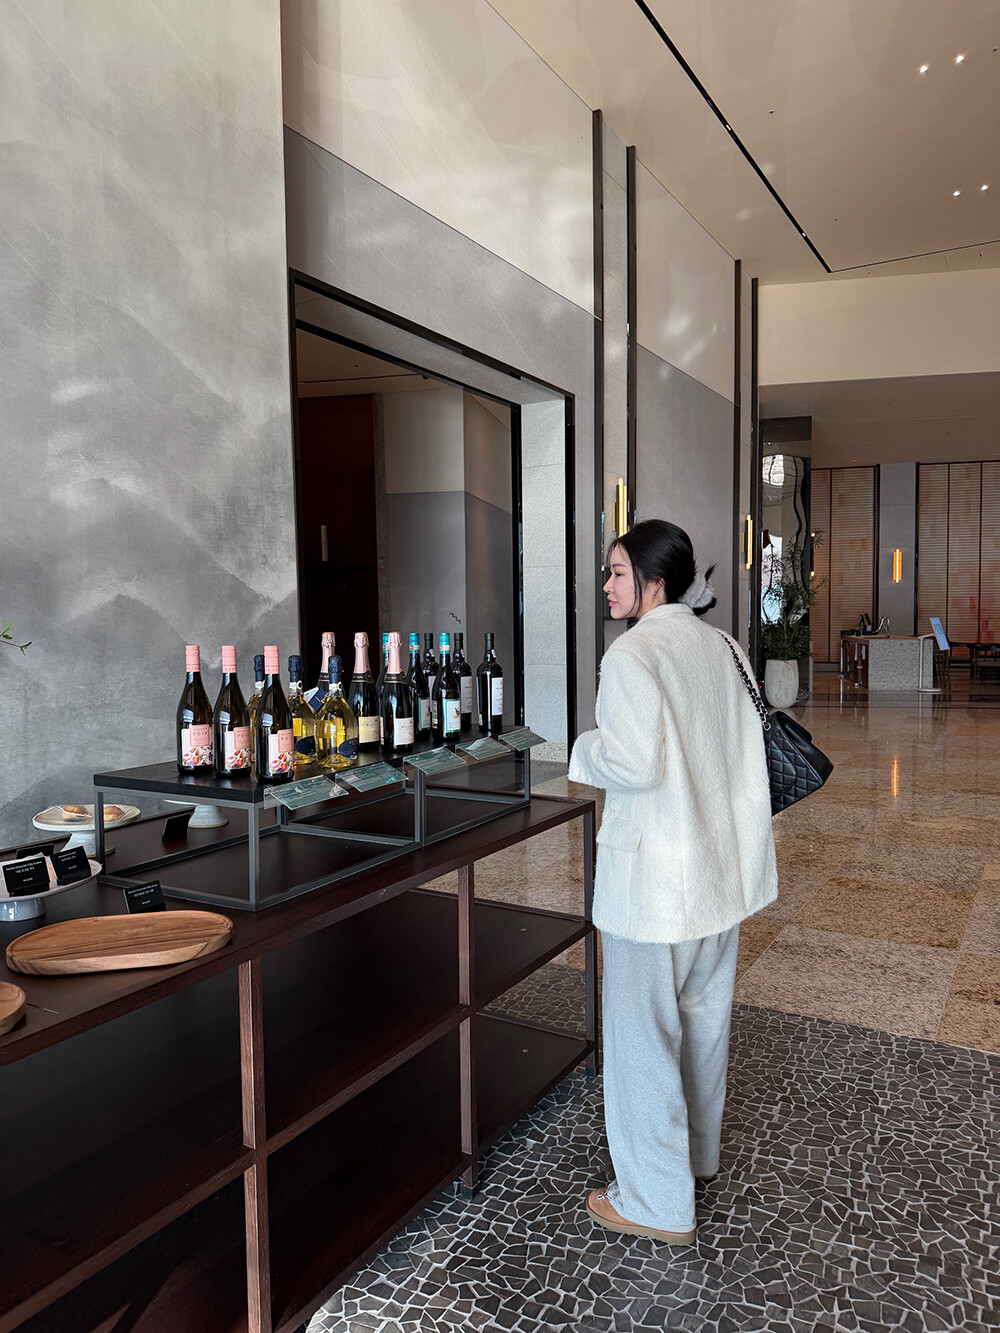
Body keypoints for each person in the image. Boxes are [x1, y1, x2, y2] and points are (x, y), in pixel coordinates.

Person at [568, 519, 777, 1244]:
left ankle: (655, 1201)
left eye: (618, 572)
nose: (607, 585)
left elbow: (631, 762)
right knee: (702, 1025)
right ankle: (695, 1158)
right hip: (721, 876)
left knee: (642, 1039)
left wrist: (581, 748)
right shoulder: (725, 648)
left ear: (655, 582)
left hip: (655, 885)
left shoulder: (632, 655)